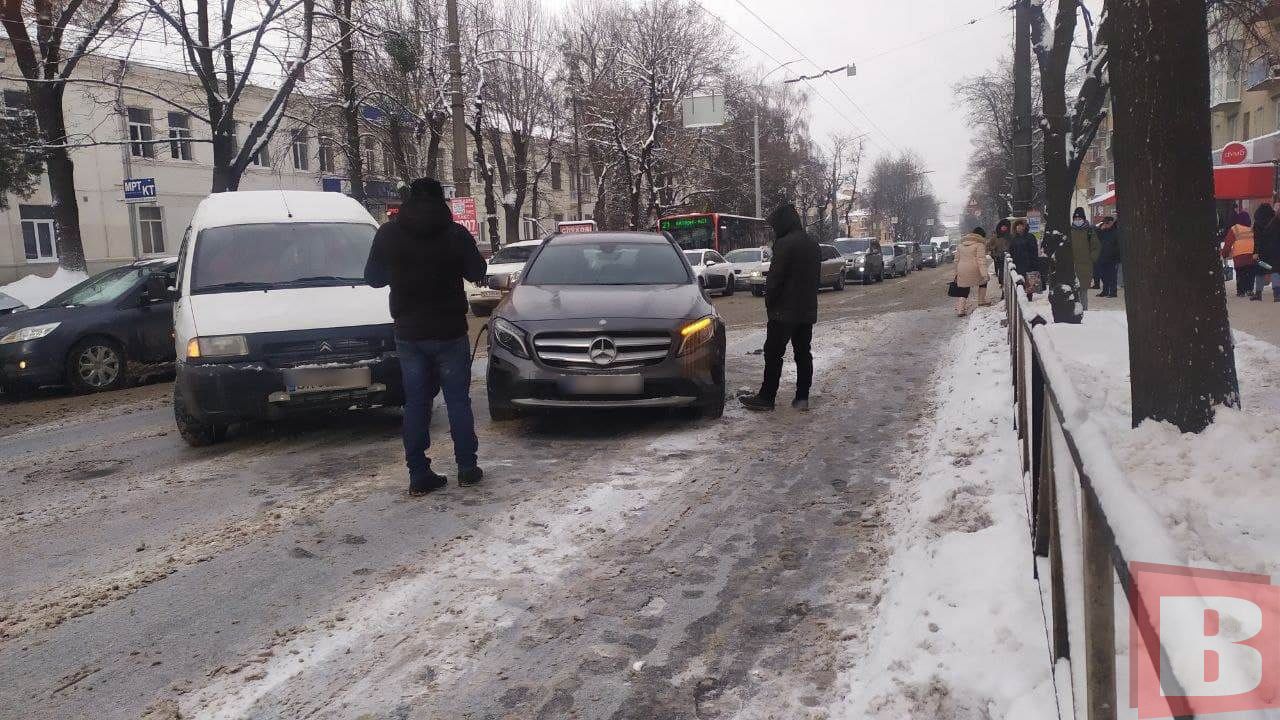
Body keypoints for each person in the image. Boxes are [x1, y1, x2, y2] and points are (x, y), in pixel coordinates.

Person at [364, 178, 487, 495]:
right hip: (449, 331)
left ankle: (419, 474)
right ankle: (467, 468)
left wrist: (402, 270)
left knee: (416, 403)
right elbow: (477, 272)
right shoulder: (455, 234)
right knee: (458, 400)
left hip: (410, 332)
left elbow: (373, 279)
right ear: (441, 201)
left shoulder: (389, 233)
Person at [740, 203, 819, 413]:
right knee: (803, 353)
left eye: (776, 225)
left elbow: (775, 279)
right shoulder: (812, 243)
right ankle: (802, 398)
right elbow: (814, 279)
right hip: (806, 310)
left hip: (783, 312)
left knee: (773, 354)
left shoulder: (784, 244)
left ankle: (767, 397)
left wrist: (770, 302)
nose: (775, 230)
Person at [1069, 207, 1101, 309]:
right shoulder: (1070, 231)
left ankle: (1084, 310)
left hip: (1085, 266)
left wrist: (1091, 258)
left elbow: (1096, 246)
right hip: (1072, 265)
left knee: (1083, 291)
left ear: (1083, 218)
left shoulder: (1089, 231)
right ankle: (1074, 311)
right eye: (1076, 218)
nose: (1077, 221)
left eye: (1079, 218)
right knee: (1073, 291)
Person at [954, 227, 991, 316]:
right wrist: (984, 274)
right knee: (983, 282)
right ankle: (981, 301)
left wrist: (956, 273)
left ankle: (960, 309)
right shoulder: (979, 245)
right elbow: (981, 260)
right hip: (975, 269)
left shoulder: (960, 245)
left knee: (963, 288)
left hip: (962, 268)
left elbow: (956, 260)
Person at [1221, 210, 1257, 299]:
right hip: (1251, 255)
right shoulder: (1251, 229)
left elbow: (1228, 243)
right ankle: (1249, 289)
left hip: (1239, 256)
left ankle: (1241, 291)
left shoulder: (1235, 229)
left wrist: (1225, 254)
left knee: (1240, 273)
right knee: (1250, 273)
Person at [1252, 204, 1279, 301]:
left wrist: (1255, 252)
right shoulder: (1276, 221)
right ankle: (1277, 295)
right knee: (1275, 270)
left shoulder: (1257, 223)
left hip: (1262, 251)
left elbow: (1256, 239)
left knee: (1260, 271)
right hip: (1275, 250)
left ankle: (1258, 294)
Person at [1008, 219, 1039, 295]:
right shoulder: (1013, 238)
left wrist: (1034, 260)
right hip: (1018, 262)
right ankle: (1022, 296)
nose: (1019, 228)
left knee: (1030, 282)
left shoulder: (1030, 236)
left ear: (1025, 227)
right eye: (1017, 226)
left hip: (1029, 262)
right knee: (1020, 281)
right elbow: (1011, 250)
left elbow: (1034, 249)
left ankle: (1029, 296)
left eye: (1021, 226)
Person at [1096, 216, 1121, 298]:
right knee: (1103, 275)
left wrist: (1116, 255)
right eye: (1104, 223)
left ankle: (1113, 292)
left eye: (1106, 223)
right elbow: (1098, 238)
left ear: (1110, 223)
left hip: (1113, 257)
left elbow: (1118, 246)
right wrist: (1100, 229)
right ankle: (1105, 291)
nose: (1105, 225)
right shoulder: (1104, 231)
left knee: (1112, 276)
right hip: (1103, 256)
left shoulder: (1116, 231)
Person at [989, 219, 1011, 289]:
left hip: (1009, 257)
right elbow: (990, 246)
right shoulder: (995, 237)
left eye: (1005, 226)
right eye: (1002, 226)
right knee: (1001, 272)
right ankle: (1002, 284)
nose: (1004, 228)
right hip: (999, 258)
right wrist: (994, 253)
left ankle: (1006, 285)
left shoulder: (1010, 236)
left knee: (1008, 272)